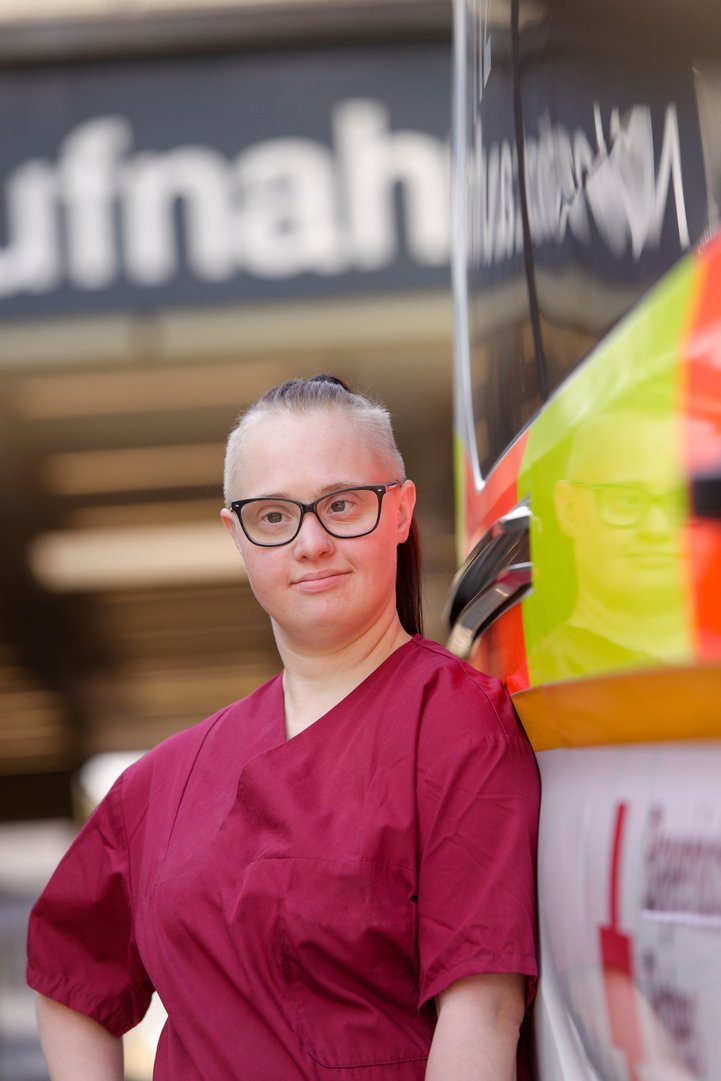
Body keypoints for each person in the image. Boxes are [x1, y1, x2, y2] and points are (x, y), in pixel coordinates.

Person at [27, 374, 540, 1081]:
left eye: (341, 505)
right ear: (236, 534)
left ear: (399, 511)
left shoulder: (457, 724)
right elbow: (69, 975)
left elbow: (482, 1012)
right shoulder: (165, 783)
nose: (311, 542)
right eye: (273, 516)